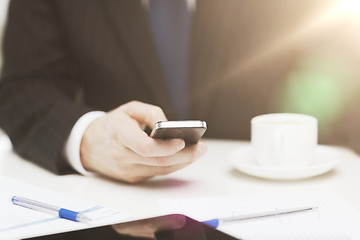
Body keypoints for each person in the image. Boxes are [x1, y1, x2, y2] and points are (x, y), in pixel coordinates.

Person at [0, 0, 357, 183]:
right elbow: (24, 86)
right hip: (114, 206)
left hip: (275, 201)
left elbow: (340, 58)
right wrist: (87, 138)